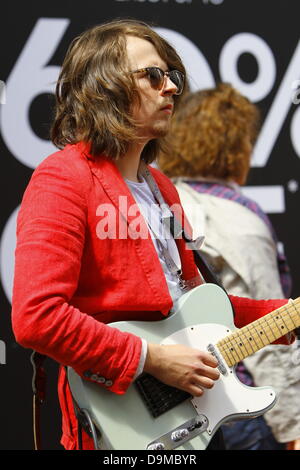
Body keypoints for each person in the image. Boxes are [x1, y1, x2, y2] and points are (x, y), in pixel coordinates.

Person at [11, 21, 292, 451]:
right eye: (153, 76)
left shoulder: (161, 188)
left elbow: (201, 307)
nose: (172, 89)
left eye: (173, 76)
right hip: (120, 423)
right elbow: (37, 317)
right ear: (104, 88)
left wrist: (285, 317)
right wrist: (152, 359)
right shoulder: (62, 178)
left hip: (191, 416)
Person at [159, 83, 300, 449]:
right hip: (244, 410)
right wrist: (293, 426)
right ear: (237, 147)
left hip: (182, 410)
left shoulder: (159, 204)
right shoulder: (240, 219)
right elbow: (271, 339)